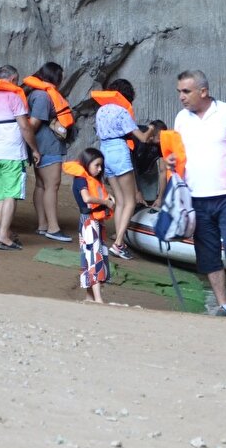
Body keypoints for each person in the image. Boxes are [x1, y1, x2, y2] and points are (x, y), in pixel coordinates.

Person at [171, 69, 226, 317]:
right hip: (195, 197)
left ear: (203, 91)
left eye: (186, 91)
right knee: (208, 255)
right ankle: (224, 306)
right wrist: (171, 161)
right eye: (179, 92)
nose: (181, 97)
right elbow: (177, 154)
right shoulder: (181, 119)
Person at [0, 65, 40, 250]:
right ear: (12, 79)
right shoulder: (14, 97)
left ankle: (6, 231)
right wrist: (34, 149)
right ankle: (3, 235)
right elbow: (25, 127)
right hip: (12, 152)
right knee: (11, 194)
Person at [92, 79, 158, 259]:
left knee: (120, 200)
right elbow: (143, 138)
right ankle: (119, 243)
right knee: (129, 201)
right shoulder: (122, 111)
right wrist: (152, 128)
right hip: (119, 151)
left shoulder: (101, 110)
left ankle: (115, 238)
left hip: (104, 151)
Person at [24, 62, 72, 242]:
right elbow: (33, 125)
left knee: (41, 185)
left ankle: (43, 225)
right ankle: (53, 227)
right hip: (47, 147)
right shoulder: (43, 96)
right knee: (52, 185)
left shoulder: (36, 93)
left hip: (41, 146)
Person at [64, 148, 115, 303]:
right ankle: (98, 299)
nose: (99, 169)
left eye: (101, 166)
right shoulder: (81, 179)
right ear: (87, 164)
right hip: (89, 221)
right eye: (97, 165)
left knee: (91, 257)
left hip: (95, 221)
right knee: (93, 258)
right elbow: (86, 199)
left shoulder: (89, 178)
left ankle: (90, 297)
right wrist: (106, 202)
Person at [133, 119, 169, 206]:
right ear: (151, 135)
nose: (161, 141)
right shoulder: (136, 135)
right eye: (159, 138)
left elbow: (163, 171)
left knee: (149, 202)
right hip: (131, 168)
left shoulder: (161, 143)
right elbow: (131, 167)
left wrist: (160, 198)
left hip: (148, 168)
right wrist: (137, 191)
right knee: (133, 201)